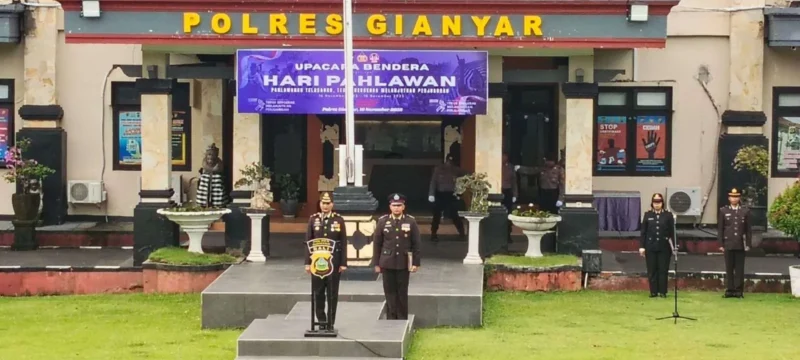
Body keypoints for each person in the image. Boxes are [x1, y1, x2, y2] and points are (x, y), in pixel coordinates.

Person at [373, 193, 421, 320]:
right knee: (389, 291)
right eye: (394, 205)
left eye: (399, 205)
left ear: (403, 206)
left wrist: (416, 263)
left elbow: (416, 243)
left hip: (404, 262)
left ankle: (402, 316)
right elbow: (377, 244)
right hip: (387, 261)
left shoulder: (410, 221)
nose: (396, 208)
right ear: (390, 206)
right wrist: (376, 263)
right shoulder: (383, 221)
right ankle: (391, 316)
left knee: (402, 291)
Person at [304, 191, 347, 329]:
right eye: (323, 203)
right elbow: (308, 242)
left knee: (332, 293)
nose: (325, 206)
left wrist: (343, 263)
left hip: (334, 262)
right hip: (317, 262)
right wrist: (307, 263)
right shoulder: (313, 219)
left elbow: (344, 242)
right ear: (320, 204)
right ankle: (321, 321)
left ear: (332, 204)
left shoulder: (338, 220)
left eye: (328, 203)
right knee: (318, 292)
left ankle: (330, 322)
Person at [639, 193, 676, 298]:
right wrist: (642, 246)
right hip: (650, 246)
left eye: (659, 202)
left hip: (664, 246)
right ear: (652, 203)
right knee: (652, 270)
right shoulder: (648, 215)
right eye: (655, 202)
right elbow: (643, 232)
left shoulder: (668, 215)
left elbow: (672, 232)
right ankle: (653, 291)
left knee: (663, 270)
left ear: (662, 203)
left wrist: (675, 245)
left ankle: (663, 291)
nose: (657, 204)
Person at [717, 188, 752, 298]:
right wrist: (720, 244)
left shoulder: (745, 211)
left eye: (736, 196)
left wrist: (748, 244)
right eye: (732, 196)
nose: (734, 198)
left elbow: (748, 230)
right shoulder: (723, 211)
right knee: (729, 268)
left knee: (739, 269)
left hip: (741, 244)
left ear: (739, 198)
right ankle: (730, 290)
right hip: (728, 243)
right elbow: (720, 229)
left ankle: (738, 291)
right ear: (729, 198)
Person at [428, 154, 468, 241]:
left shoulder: (456, 170)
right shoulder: (438, 169)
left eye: (451, 161)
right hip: (440, 194)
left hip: (451, 194)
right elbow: (433, 182)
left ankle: (461, 233)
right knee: (436, 215)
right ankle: (433, 234)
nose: (449, 163)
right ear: (445, 160)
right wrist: (431, 194)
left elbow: (467, 176)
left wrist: (459, 192)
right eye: (448, 161)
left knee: (455, 215)